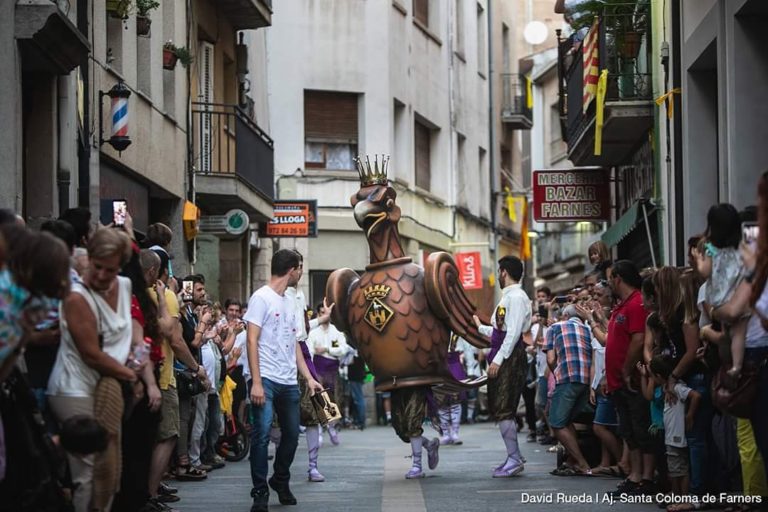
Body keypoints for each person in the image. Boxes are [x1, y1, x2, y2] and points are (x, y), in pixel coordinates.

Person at [46, 228, 138, 512]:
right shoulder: (76, 297)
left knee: (107, 464)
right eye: (97, 266)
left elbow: (128, 329)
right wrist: (129, 375)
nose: (101, 275)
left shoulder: (124, 285)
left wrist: (136, 356)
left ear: (120, 268)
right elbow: (91, 354)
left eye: (110, 270)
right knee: (87, 470)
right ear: (89, 258)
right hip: (74, 386)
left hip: (107, 384)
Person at [245, 249, 323, 512]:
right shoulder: (261, 298)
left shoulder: (290, 301)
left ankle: (280, 479)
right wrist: (256, 382)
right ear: (292, 270)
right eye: (299, 268)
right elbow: (251, 340)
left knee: (291, 434)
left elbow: (294, 344)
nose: (300, 273)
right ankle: (260, 492)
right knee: (261, 435)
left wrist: (308, 378)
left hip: (288, 381)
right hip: (265, 378)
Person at [473, 255, 532, 478]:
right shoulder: (509, 297)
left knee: (505, 407)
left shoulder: (516, 297)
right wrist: (480, 327)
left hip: (510, 357)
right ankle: (513, 456)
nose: (498, 275)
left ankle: (514, 458)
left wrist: (498, 360)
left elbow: (514, 332)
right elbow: (501, 331)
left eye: (499, 271)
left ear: (504, 272)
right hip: (506, 354)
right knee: (502, 407)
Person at [605, 260, 653, 496]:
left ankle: (647, 477)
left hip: (632, 380)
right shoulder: (621, 306)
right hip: (617, 382)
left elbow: (638, 338)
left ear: (618, 278)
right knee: (628, 431)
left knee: (640, 428)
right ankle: (635, 475)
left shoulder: (636, 303)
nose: (608, 283)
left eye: (610, 278)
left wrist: (626, 370)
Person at [545, 305, 594, 476]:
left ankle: (582, 463)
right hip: (587, 381)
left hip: (567, 378)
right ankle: (572, 460)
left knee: (556, 423)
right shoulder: (588, 329)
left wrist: (557, 373)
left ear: (565, 315)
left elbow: (550, 358)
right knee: (565, 420)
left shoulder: (555, 327)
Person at [642, 355, 701, 497]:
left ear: (658, 376)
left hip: (676, 436)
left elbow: (696, 396)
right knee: (674, 470)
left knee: (679, 470)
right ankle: (676, 495)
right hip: (671, 435)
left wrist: (689, 415)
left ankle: (680, 497)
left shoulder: (677, 387)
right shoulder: (667, 387)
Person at [307, 300, 350, 446]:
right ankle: (319, 431)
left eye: (326, 313)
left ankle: (332, 428)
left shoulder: (337, 332)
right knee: (318, 400)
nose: (324, 316)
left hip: (332, 370)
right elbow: (310, 352)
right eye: (321, 313)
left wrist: (327, 349)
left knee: (333, 401)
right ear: (318, 314)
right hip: (318, 369)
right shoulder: (313, 333)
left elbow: (344, 349)